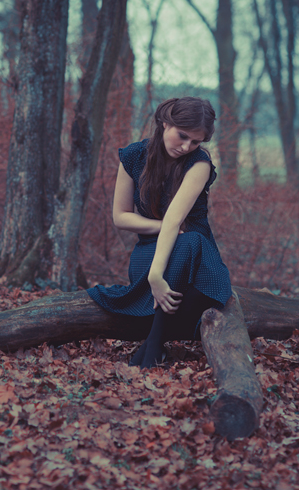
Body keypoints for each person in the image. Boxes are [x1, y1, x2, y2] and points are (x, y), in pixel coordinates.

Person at [87, 97, 232, 368]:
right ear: (166, 123)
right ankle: (155, 339)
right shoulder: (133, 156)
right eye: (183, 136)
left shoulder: (199, 164)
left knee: (189, 242)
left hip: (198, 262)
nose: (187, 146)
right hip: (150, 248)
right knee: (178, 242)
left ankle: (153, 344)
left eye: (196, 142)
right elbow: (120, 217)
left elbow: (176, 219)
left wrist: (158, 273)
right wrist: (155, 269)